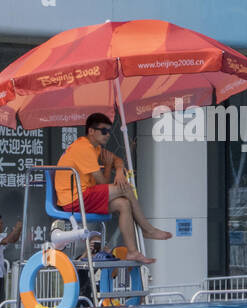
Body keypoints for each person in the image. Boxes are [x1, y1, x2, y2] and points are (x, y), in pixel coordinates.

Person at [55, 113, 172, 265]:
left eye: (109, 131)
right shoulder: (84, 148)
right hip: (75, 199)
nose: (108, 135)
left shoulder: (94, 147)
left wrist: (118, 171)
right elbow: (102, 182)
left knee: (123, 204)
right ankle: (147, 228)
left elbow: (118, 160)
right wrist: (109, 166)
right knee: (126, 189)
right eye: (104, 131)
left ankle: (132, 252)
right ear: (91, 131)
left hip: (84, 196)